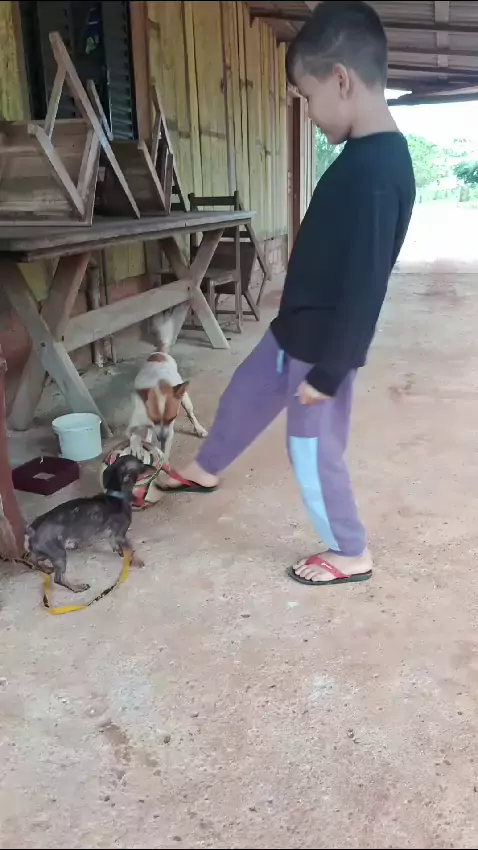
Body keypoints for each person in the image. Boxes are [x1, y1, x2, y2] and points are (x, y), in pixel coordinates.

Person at [161, 0, 416, 586]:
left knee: (311, 450)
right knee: (242, 395)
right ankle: (206, 467)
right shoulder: (361, 156)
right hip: (292, 330)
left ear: (341, 80)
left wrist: (330, 371)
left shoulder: (380, 173)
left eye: (308, 96)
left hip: (323, 347)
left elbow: (367, 286)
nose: (309, 111)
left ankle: (349, 550)